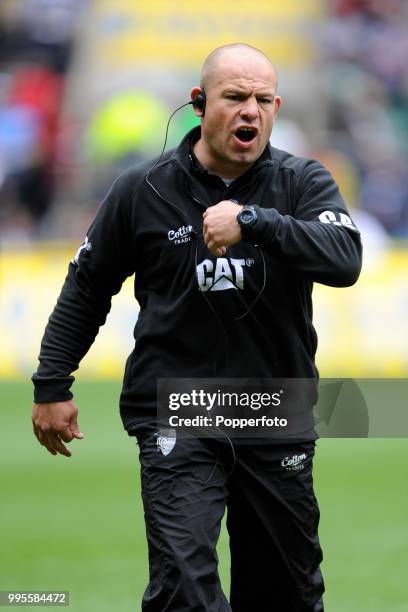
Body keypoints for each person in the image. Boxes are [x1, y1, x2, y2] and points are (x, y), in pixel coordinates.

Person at [32, 43, 362, 611]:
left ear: (277, 106)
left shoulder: (301, 182)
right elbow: (88, 284)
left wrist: (254, 222)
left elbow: (346, 258)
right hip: (178, 408)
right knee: (183, 588)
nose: (250, 112)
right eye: (234, 98)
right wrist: (52, 382)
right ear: (199, 103)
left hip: (273, 410)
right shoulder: (145, 189)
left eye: (263, 100)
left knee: (285, 594)